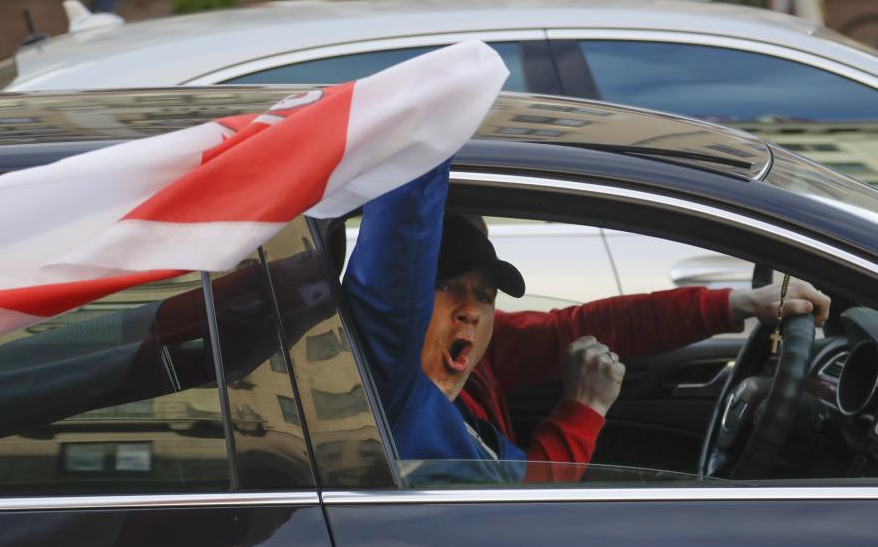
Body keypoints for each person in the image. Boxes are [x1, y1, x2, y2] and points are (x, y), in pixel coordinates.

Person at [342, 162, 830, 483]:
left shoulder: (480, 348)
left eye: (485, 295)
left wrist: (740, 304)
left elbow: (594, 324)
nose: (471, 309)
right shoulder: (393, 387)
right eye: (445, 285)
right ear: (403, 297)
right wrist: (585, 407)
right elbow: (523, 506)